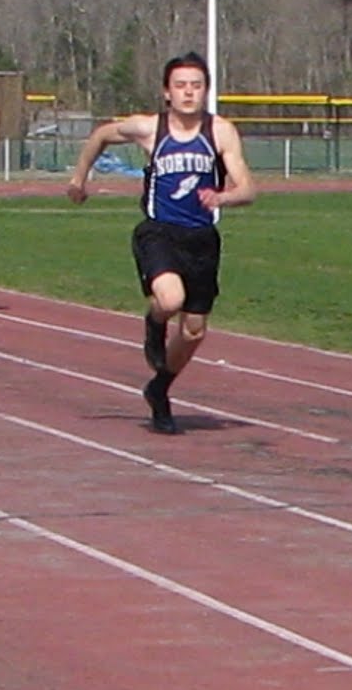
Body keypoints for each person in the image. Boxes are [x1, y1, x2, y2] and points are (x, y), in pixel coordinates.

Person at [66, 52, 257, 435]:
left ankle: (159, 389)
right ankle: (154, 323)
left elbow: (249, 188)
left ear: (206, 90)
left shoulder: (219, 131)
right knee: (169, 300)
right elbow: (102, 135)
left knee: (194, 332)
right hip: (160, 232)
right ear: (167, 93)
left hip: (202, 239)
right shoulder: (150, 128)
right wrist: (79, 178)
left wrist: (223, 197)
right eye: (181, 86)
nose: (189, 93)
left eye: (196, 85)